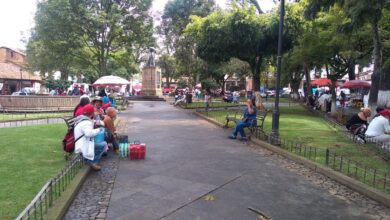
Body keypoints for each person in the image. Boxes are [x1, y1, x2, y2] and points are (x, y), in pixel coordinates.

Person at [74, 104, 105, 171]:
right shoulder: (86, 122)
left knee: (98, 143)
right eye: (94, 112)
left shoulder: (81, 119)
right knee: (103, 144)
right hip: (83, 146)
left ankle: (88, 159)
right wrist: (98, 130)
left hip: (81, 144)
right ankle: (93, 162)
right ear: (91, 113)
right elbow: (88, 134)